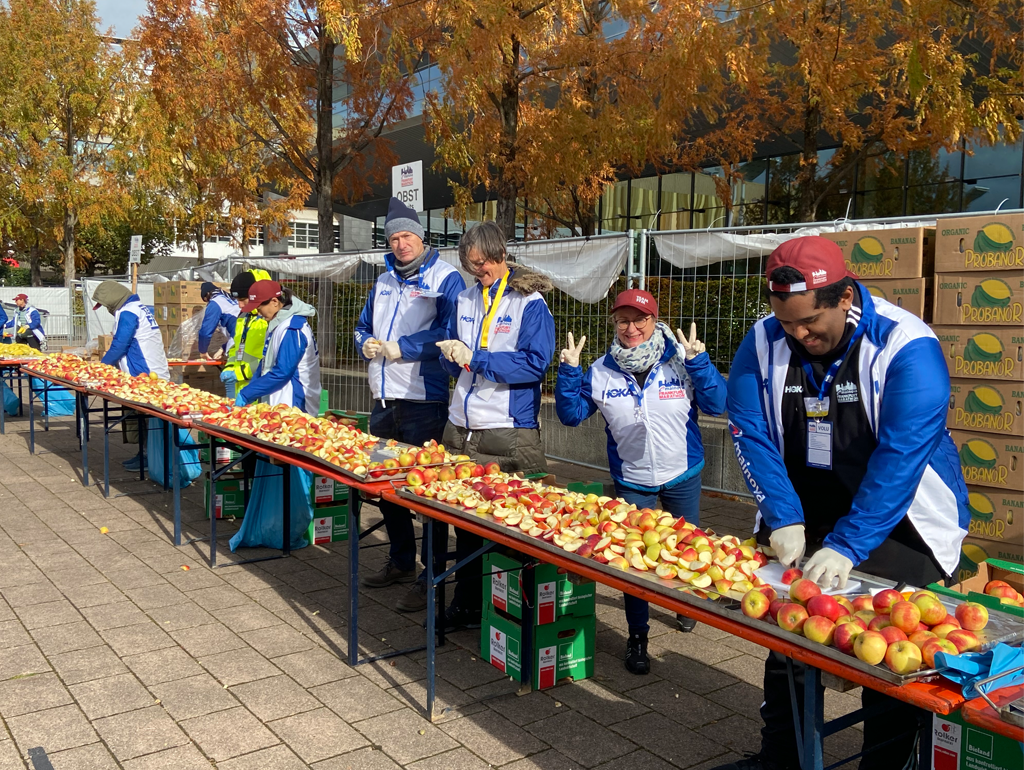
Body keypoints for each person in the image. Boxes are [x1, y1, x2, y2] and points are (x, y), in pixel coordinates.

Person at [716, 236, 969, 770]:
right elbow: (749, 427)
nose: (798, 335)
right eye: (785, 323)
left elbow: (901, 458)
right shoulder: (763, 341)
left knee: (891, 652)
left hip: (902, 521)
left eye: (809, 323)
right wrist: (782, 515)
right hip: (807, 506)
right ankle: (780, 757)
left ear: (845, 296)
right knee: (786, 638)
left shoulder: (906, 345)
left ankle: (884, 761)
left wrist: (849, 544)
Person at [555, 288, 727, 674]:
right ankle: (637, 636)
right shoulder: (600, 370)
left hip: (683, 473)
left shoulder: (681, 359)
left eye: (640, 320)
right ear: (614, 324)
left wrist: (700, 363)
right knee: (634, 562)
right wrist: (569, 371)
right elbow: (570, 415)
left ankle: (687, 607)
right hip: (632, 480)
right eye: (622, 321)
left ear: (654, 321)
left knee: (689, 549)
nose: (631, 328)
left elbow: (718, 404)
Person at [434, 220, 556, 631]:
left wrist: (476, 358)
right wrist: (448, 354)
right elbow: (454, 349)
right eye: (471, 266)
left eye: (482, 265)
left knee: (515, 524)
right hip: (460, 427)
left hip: (507, 429)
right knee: (465, 524)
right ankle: (468, 604)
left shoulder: (529, 302)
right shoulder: (466, 299)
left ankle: (516, 617)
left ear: (501, 255)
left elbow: (534, 364)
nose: (477, 273)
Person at [354, 197, 466, 611]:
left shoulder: (445, 277)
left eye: (408, 236)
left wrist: (402, 348)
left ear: (423, 238)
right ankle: (399, 560)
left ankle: (430, 576)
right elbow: (362, 325)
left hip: (424, 401)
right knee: (387, 488)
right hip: (383, 399)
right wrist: (362, 342)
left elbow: (449, 331)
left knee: (426, 494)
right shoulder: (382, 280)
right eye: (395, 237)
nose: (401, 244)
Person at [231, 280, 322, 551]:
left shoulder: (293, 327)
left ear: (275, 302)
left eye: (260, 306)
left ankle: (291, 527)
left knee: (292, 468)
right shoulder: (278, 323)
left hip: (295, 406)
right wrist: (251, 388)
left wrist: (248, 394)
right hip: (278, 406)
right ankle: (272, 525)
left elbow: (283, 372)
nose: (257, 312)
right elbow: (266, 365)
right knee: (276, 467)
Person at [92, 281, 170, 471]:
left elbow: (120, 345)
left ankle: (150, 457)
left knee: (146, 419)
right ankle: (144, 454)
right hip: (148, 371)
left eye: (106, 305)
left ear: (112, 300)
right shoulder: (138, 308)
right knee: (140, 418)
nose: (107, 310)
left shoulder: (128, 312)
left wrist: (100, 368)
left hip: (144, 373)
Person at [220, 269, 271, 400]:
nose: (240, 304)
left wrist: (241, 372)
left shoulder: (269, 319)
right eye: (237, 300)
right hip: (241, 389)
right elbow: (236, 347)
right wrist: (230, 366)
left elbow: (271, 359)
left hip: (261, 390)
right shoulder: (243, 316)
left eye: (243, 299)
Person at [197, 281, 240, 372]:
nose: (207, 303)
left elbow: (205, 331)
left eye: (205, 300)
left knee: (231, 377)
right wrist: (222, 349)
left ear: (208, 294)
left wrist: (203, 352)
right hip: (246, 341)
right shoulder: (231, 300)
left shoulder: (215, 303)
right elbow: (236, 330)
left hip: (238, 345)